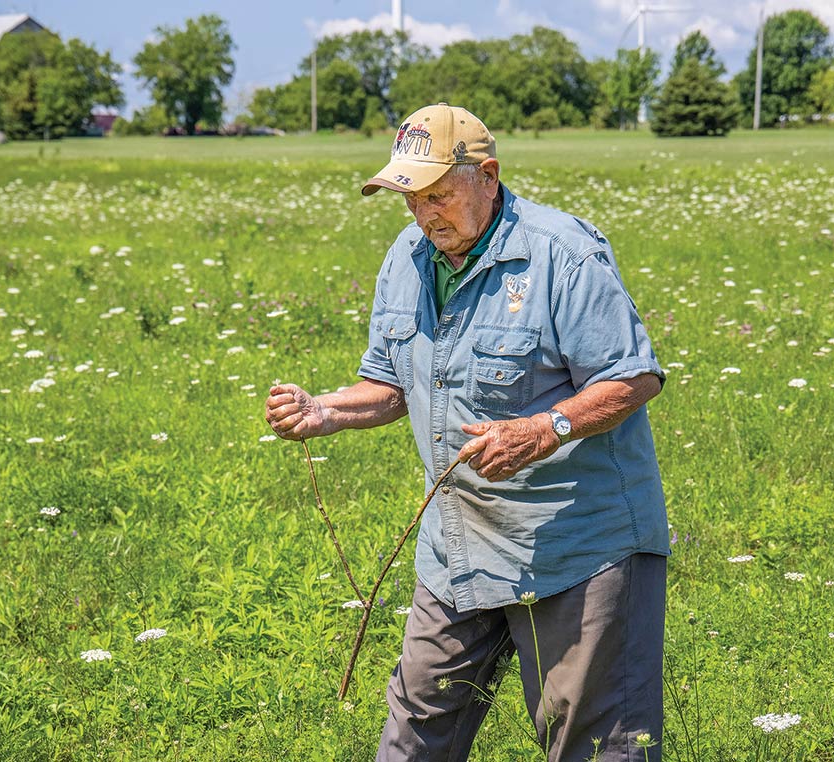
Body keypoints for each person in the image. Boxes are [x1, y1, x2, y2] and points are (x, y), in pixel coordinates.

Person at [265, 103, 669, 762]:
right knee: (414, 733)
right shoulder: (407, 258)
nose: (425, 214)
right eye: (410, 199)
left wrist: (545, 428)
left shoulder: (562, 253)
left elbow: (634, 379)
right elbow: (389, 385)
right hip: (459, 550)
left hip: (579, 547)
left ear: (488, 176)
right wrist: (326, 411)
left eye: (438, 195)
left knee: (594, 745)